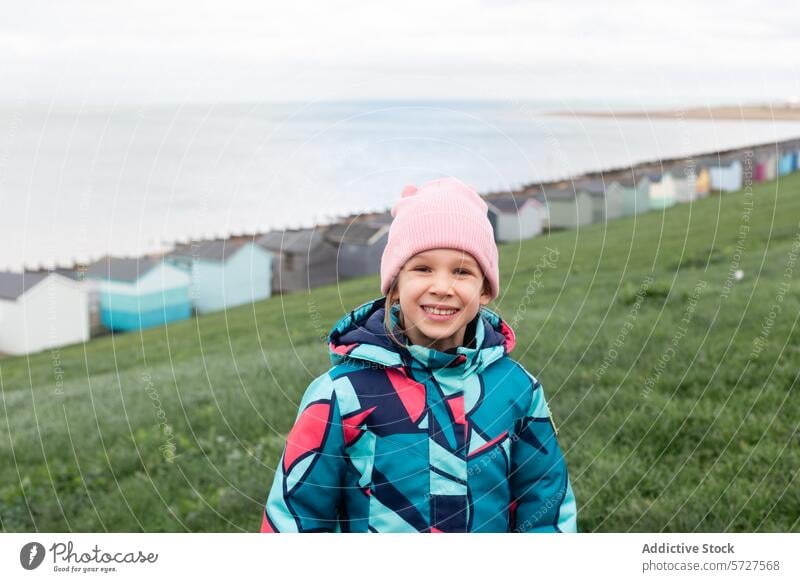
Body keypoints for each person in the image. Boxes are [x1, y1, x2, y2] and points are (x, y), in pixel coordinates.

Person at [259, 177, 577, 533]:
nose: (441, 287)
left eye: (461, 271)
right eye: (422, 268)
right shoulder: (340, 396)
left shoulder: (518, 391)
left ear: (485, 288)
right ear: (395, 282)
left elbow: (546, 506)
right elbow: (295, 515)